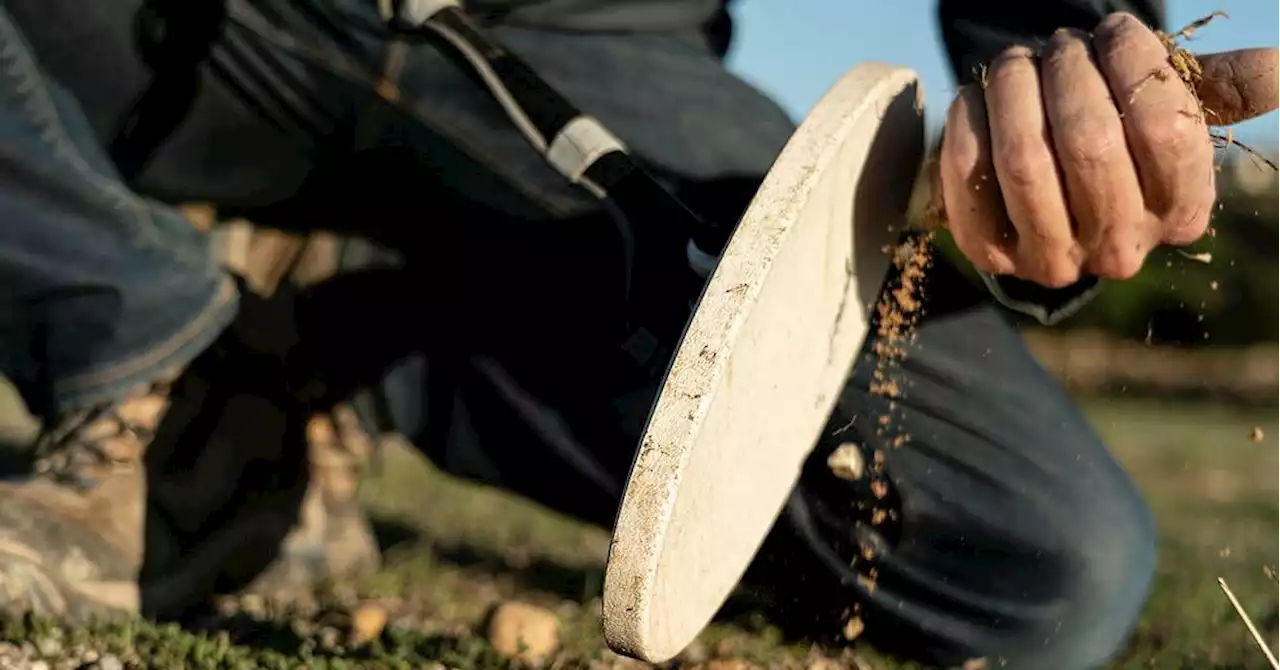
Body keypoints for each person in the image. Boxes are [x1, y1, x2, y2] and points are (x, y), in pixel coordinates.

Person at [0, 0, 1276, 666]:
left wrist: (1056, 108)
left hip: (596, 54)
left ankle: (334, 334)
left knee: (1054, 563)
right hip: (175, 36)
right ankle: (156, 343)